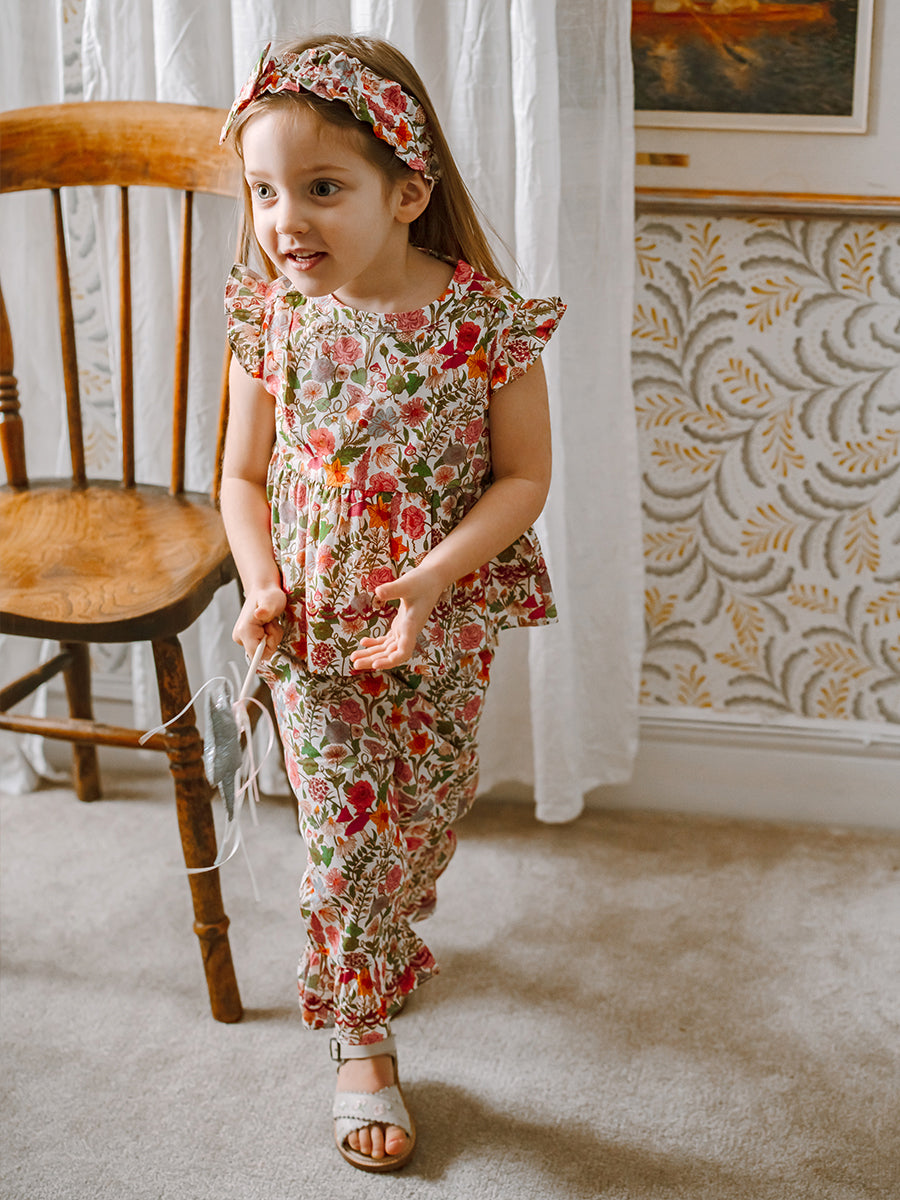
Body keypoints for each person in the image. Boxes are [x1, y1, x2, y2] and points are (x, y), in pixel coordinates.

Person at [219, 32, 565, 1173]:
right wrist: (262, 581)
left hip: (440, 616)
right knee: (345, 832)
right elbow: (242, 478)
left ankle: (383, 931)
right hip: (315, 624)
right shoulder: (272, 318)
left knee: (421, 814)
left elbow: (523, 478)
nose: (285, 221)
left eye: (322, 188)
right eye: (266, 191)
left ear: (407, 192)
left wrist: (431, 577)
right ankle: (359, 1036)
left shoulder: (482, 322)